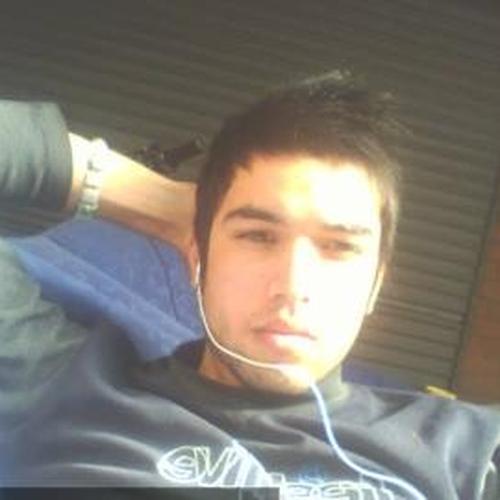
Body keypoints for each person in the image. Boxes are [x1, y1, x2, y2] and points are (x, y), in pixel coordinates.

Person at [0, 73, 499, 500]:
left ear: (375, 286)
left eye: (339, 247)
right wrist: (159, 201)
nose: (293, 286)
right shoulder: (60, 388)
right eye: (257, 236)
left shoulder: (467, 450)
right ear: (198, 256)